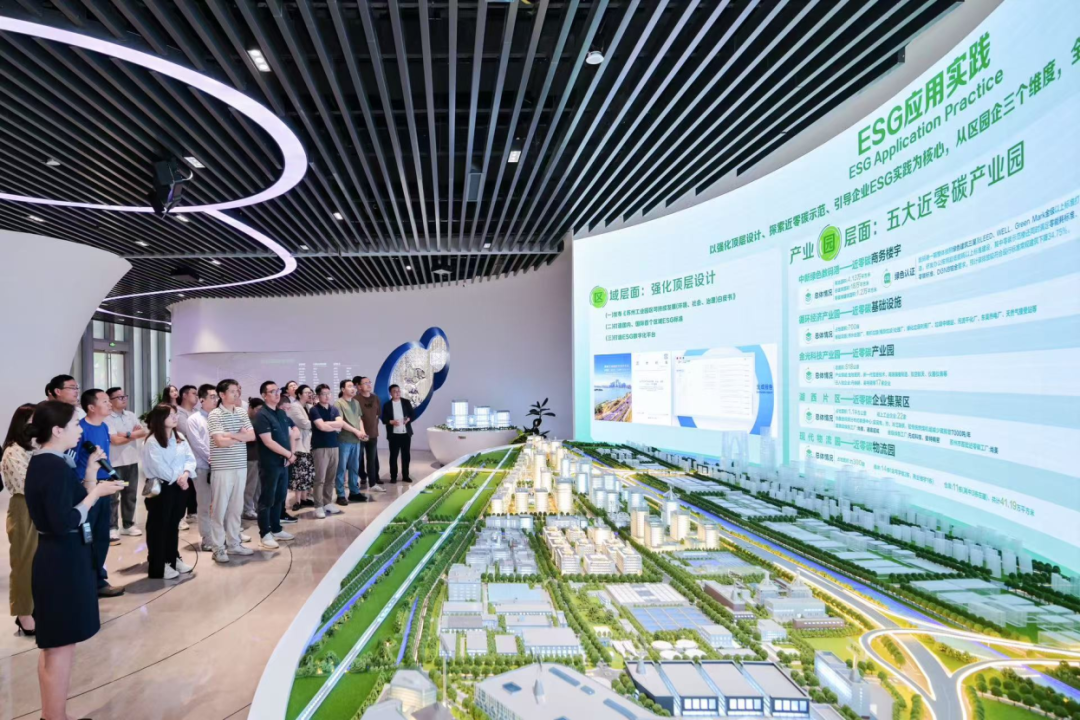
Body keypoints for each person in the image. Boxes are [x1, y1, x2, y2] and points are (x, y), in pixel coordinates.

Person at [23, 401, 124, 720]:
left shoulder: (53, 461)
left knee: (59, 644)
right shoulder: (50, 465)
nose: (80, 430)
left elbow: (72, 503)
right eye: (74, 425)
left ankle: (55, 715)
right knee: (58, 646)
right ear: (57, 430)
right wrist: (96, 494)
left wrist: (91, 472)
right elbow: (64, 520)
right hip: (61, 561)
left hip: (65, 556)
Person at [73, 388, 124, 598]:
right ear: (91, 407)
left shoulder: (103, 427)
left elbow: (105, 459)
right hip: (87, 488)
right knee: (88, 536)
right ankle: (86, 580)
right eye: (104, 401)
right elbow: (73, 462)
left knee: (102, 535)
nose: (110, 404)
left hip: (104, 486)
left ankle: (99, 579)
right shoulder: (79, 429)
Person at [141, 404, 197, 580]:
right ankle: (159, 565)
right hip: (162, 488)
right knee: (159, 527)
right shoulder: (151, 442)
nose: (175, 417)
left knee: (173, 525)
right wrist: (179, 478)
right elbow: (158, 467)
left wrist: (185, 475)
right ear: (160, 418)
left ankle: (172, 559)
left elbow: (190, 458)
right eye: (170, 415)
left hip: (180, 486)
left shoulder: (179, 436)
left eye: (175, 414)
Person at [207, 379, 256, 564]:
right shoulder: (215, 414)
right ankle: (218, 547)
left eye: (238, 390)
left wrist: (231, 435)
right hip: (222, 468)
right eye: (233, 391)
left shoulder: (241, 411)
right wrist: (240, 436)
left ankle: (234, 543)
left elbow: (252, 436)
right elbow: (219, 442)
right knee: (219, 509)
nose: (237, 394)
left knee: (236, 507)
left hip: (240, 466)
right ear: (222, 394)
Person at [2, 403, 37, 636]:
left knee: (37, 561)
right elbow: (26, 485)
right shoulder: (13, 451)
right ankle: (23, 614)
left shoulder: (33, 447)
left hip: (38, 504)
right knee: (24, 562)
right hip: (24, 506)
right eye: (34, 421)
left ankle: (34, 608)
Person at [253, 381, 298, 549]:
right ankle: (265, 533)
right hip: (270, 463)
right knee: (267, 499)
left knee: (280, 497)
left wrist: (290, 454)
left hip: (284, 462)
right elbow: (268, 441)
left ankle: (276, 528)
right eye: (272, 391)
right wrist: (289, 454)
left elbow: (290, 434)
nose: (277, 393)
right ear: (264, 395)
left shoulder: (281, 413)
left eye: (278, 390)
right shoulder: (261, 415)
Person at [104, 387, 148, 542]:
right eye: (119, 397)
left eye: (124, 396)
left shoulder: (130, 415)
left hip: (132, 461)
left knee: (130, 494)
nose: (123, 399)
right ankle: (112, 527)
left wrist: (126, 434)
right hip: (115, 462)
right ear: (110, 400)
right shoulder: (107, 418)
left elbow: (143, 432)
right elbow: (115, 441)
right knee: (113, 496)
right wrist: (133, 434)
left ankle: (128, 524)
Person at [186, 384, 216, 551]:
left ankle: (221, 535)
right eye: (212, 397)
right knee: (204, 504)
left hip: (220, 466)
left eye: (216, 396)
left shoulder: (218, 417)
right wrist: (212, 458)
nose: (215, 400)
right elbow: (197, 444)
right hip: (203, 466)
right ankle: (207, 538)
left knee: (220, 503)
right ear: (202, 400)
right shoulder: (194, 419)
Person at [309, 384, 344, 519]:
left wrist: (327, 424)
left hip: (334, 446)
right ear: (318, 396)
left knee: (331, 477)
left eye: (328, 393)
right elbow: (321, 427)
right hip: (320, 447)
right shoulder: (314, 410)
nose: (327, 396)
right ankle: (318, 505)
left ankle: (327, 502)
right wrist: (332, 426)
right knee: (320, 479)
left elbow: (340, 424)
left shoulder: (334, 409)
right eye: (324, 394)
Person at [334, 379, 369, 505]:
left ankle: (354, 492)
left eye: (353, 386)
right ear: (343, 389)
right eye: (349, 386)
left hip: (356, 440)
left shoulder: (356, 402)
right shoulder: (338, 403)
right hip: (344, 440)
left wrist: (362, 432)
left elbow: (359, 419)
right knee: (341, 468)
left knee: (355, 467)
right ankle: (340, 494)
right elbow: (341, 423)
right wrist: (356, 431)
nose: (353, 388)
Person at [285, 384, 315, 512]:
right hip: (299, 445)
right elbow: (305, 424)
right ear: (299, 394)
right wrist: (319, 423)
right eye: (307, 392)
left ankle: (304, 498)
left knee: (308, 473)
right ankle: (297, 501)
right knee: (299, 474)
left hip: (309, 444)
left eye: (310, 392)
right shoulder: (294, 407)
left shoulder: (309, 406)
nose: (309, 394)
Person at [175, 385, 200, 529]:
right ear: (184, 395)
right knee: (184, 486)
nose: (196, 397)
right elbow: (188, 431)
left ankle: (192, 511)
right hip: (183, 455)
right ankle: (180, 517)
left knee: (195, 486)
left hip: (197, 455)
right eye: (194, 393)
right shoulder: (178, 412)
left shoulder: (196, 412)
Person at [356, 376, 385, 494]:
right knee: (357, 459)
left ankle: (373, 483)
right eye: (365, 383)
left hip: (373, 434)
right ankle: (357, 481)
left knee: (371, 460)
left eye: (369, 382)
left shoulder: (375, 398)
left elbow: (378, 414)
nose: (368, 384)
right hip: (359, 435)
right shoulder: (356, 399)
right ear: (359, 387)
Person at [381, 384, 415, 484]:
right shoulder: (387, 405)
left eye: (398, 391)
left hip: (405, 434)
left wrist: (408, 419)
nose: (397, 393)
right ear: (390, 393)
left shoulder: (406, 402)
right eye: (395, 391)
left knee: (406, 455)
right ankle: (393, 476)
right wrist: (391, 422)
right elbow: (384, 419)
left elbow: (412, 414)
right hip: (393, 435)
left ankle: (405, 475)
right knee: (393, 456)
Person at [242, 398, 264, 520]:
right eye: (258, 409)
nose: (259, 412)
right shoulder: (245, 421)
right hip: (249, 457)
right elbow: (251, 437)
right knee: (250, 485)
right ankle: (247, 509)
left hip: (259, 456)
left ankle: (256, 507)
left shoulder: (259, 420)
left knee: (257, 486)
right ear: (250, 408)